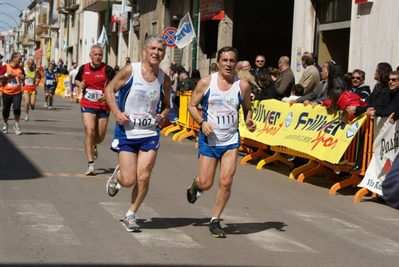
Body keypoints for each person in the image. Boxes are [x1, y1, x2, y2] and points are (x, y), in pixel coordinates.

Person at [186, 46, 256, 238]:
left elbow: (247, 108)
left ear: (237, 64)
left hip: (231, 140)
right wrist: (202, 122)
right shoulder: (206, 83)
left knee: (226, 181)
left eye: (232, 61)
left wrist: (249, 120)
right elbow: (192, 106)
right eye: (224, 60)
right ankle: (196, 185)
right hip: (209, 140)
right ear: (218, 63)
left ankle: (215, 221)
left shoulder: (242, 86)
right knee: (206, 183)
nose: (228, 64)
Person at [104, 35, 171, 232]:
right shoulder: (130, 70)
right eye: (152, 48)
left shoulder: (164, 79)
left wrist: (163, 115)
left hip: (150, 133)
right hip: (127, 131)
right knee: (129, 180)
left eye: (160, 50)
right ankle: (118, 177)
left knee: (144, 176)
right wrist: (117, 113)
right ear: (145, 50)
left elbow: (168, 106)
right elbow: (109, 90)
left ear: (164, 54)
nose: (156, 52)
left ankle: (131, 215)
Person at [74, 45, 116, 176]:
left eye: (100, 55)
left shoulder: (108, 69)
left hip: (103, 106)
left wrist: (108, 94)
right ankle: (91, 164)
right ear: (90, 55)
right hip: (87, 103)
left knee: (100, 137)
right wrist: (79, 84)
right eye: (96, 54)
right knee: (89, 131)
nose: (98, 57)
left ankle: (94, 145)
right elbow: (76, 79)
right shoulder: (84, 68)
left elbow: (117, 84)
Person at [0, 52, 25, 135]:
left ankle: (17, 124)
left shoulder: (20, 68)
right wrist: (7, 74)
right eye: (19, 58)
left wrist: (23, 78)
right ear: (14, 59)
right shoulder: (5, 67)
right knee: (5, 110)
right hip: (6, 92)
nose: (21, 60)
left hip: (17, 92)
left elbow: (23, 77)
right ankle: (5, 124)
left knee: (17, 108)